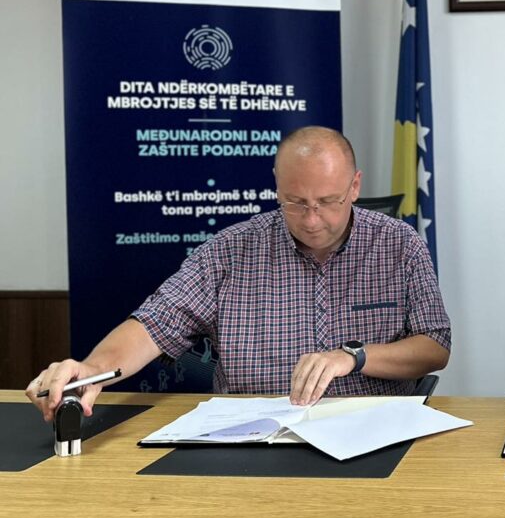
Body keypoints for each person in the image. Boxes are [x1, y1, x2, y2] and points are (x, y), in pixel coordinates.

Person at [26, 126, 450, 421]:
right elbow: (154, 324)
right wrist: (92, 367)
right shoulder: (229, 251)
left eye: (327, 201)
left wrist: (353, 357)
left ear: (355, 187)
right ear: (276, 186)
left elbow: (435, 347)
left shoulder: (398, 244)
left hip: (371, 429)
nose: (312, 219)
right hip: (255, 435)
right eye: (295, 202)